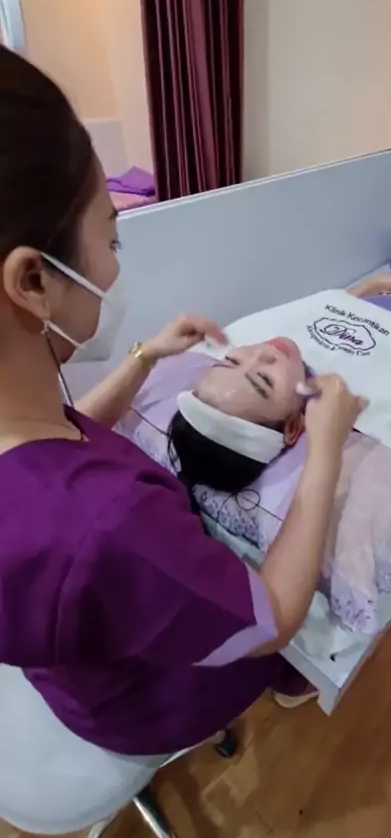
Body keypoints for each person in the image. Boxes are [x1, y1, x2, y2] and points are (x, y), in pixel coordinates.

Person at [0, 46, 367, 761]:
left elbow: (60, 436)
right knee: (285, 653)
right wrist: (326, 450)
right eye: (111, 237)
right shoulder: (112, 524)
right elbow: (273, 616)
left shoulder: (26, 419)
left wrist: (145, 358)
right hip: (140, 704)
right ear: (33, 281)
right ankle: (291, 684)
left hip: (69, 668)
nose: (261, 351)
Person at [169, 266, 391, 498]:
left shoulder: (284, 356)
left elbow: (318, 315)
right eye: (264, 379)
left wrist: (372, 286)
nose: (261, 353)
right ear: (293, 427)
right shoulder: (356, 407)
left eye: (231, 361)